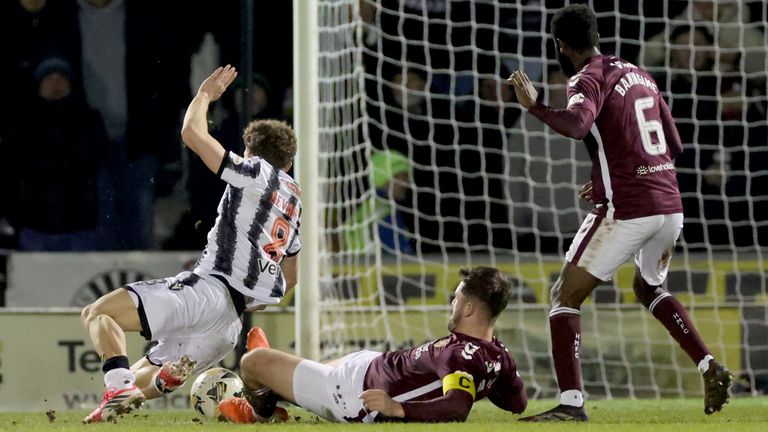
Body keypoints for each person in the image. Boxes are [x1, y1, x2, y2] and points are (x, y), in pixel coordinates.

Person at [506, 4, 731, 421]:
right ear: (594, 34)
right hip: (669, 206)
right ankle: (708, 365)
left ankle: (571, 405)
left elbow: (577, 125)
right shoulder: (639, 74)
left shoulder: (585, 77)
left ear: (560, 45)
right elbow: (674, 144)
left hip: (628, 208)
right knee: (648, 289)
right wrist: (616, 170)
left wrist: (534, 106)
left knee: (564, 296)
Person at [79, 65, 302, 423]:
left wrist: (204, 96)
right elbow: (291, 278)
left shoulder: (256, 171)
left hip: (207, 292)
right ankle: (158, 383)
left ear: (250, 151)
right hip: (229, 325)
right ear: (290, 162)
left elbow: (192, 134)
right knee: (142, 373)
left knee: (98, 313)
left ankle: (119, 385)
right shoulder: (294, 200)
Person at [219, 266, 527, 424]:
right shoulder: (498, 352)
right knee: (296, 369)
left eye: (457, 298)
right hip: (369, 365)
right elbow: (518, 404)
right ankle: (275, 385)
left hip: (352, 395)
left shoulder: (459, 357)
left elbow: (457, 406)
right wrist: (487, 378)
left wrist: (397, 408)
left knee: (253, 362)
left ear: (470, 309)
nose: (452, 302)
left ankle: (260, 412)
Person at [8, 56, 107, 251]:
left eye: (61, 78)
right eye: (49, 78)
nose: (55, 84)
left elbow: (92, 157)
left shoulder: (88, 118)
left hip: (79, 226)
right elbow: (18, 162)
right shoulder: (23, 121)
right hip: (34, 226)